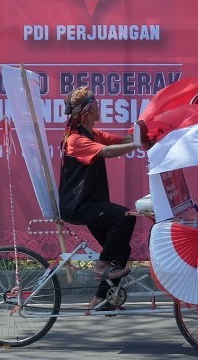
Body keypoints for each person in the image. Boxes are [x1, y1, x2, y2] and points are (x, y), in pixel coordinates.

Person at [58, 85, 142, 310]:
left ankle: (103, 299)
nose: (99, 106)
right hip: (78, 206)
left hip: (91, 204)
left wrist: (148, 136)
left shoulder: (92, 134)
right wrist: (137, 144)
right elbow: (107, 151)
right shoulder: (75, 140)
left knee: (120, 250)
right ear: (87, 110)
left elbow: (119, 140)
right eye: (95, 103)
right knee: (125, 218)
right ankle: (102, 264)